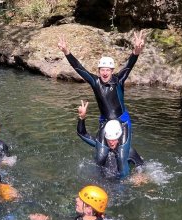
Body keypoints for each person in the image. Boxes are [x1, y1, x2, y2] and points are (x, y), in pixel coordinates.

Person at [58, 31, 145, 167]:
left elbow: (129, 65)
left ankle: (134, 163)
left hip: (122, 121)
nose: (105, 73)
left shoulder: (119, 80)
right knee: (101, 156)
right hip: (105, 121)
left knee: (122, 156)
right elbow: (78, 68)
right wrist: (66, 52)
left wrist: (136, 51)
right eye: (102, 70)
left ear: (112, 70)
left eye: (108, 70)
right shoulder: (95, 82)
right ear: (98, 71)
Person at [77, 100, 143, 178]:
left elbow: (140, 165)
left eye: (114, 140)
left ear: (119, 137)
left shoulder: (129, 151)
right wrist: (82, 118)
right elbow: (82, 134)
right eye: (109, 140)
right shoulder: (101, 145)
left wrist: (139, 175)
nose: (111, 143)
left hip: (119, 183)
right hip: (102, 179)